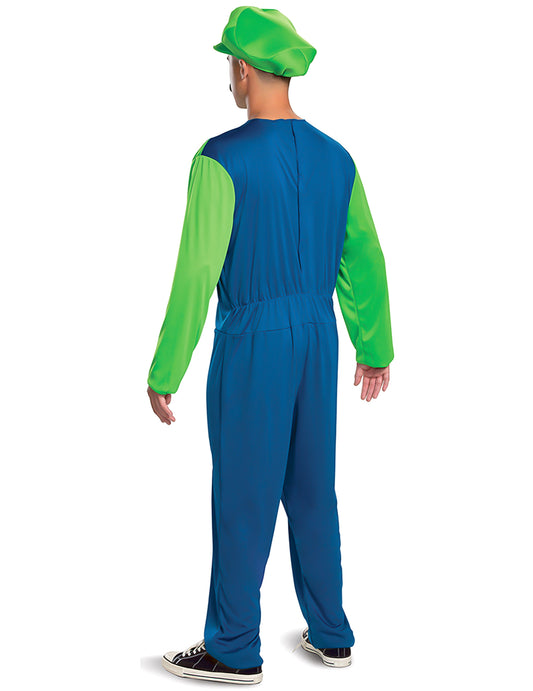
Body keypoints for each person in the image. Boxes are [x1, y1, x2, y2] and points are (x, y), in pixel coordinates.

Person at [146, 6, 394, 685]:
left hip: (253, 340)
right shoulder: (337, 158)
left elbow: (197, 272)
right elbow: (363, 257)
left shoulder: (220, 158)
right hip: (318, 337)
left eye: (228, 64)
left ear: (243, 68)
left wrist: (166, 368)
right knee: (312, 488)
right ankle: (332, 633)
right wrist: (373, 344)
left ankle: (232, 647)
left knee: (244, 493)